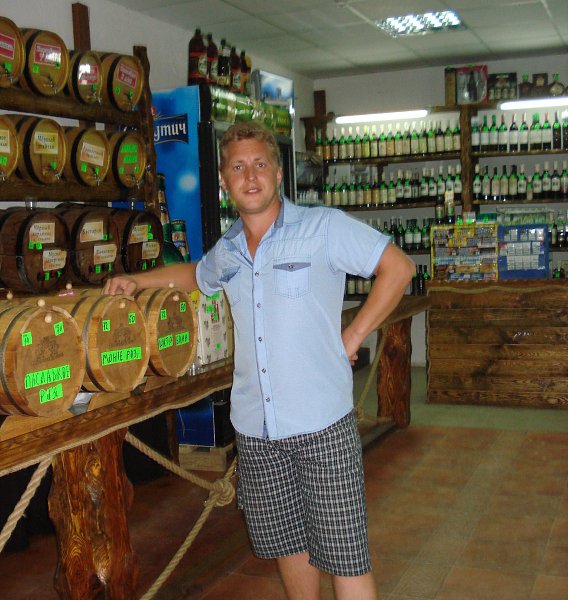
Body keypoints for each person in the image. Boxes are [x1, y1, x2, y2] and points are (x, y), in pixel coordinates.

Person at [103, 121, 414, 599]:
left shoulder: (322, 227)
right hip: (257, 430)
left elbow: (398, 267)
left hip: (322, 425)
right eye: (238, 167)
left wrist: (353, 334)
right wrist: (136, 281)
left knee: (345, 555)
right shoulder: (228, 250)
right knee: (288, 547)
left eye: (260, 164)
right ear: (224, 181)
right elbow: (195, 275)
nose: (250, 176)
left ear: (278, 172)